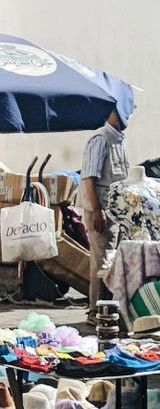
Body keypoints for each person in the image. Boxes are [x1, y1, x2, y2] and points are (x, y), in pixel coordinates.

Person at [80, 106, 130, 311]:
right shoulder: (100, 139)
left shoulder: (119, 141)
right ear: (111, 114)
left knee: (112, 261)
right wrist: (97, 211)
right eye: (122, 113)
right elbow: (89, 178)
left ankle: (108, 308)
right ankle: (96, 310)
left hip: (115, 212)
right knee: (102, 262)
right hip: (100, 211)